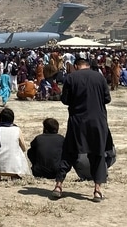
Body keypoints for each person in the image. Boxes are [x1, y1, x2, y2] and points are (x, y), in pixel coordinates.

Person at [53, 57, 113, 203]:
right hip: (97, 121)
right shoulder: (99, 77)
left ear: (76, 66)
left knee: (69, 152)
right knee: (97, 154)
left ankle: (58, 185)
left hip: (77, 121)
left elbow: (65, 100)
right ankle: (97, 190)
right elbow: (107, 99)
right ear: (88, 65)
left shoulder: (71, 78)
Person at [0, 108, 30, 181]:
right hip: (14, 168)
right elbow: (24, 148)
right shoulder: (17, 130)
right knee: (19, 151)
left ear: (0, 118)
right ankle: (14, 175)